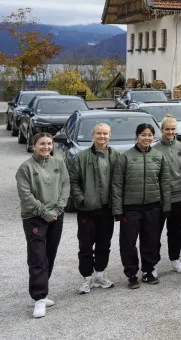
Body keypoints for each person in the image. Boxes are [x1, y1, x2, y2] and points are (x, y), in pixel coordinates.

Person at [112, 123, 171, 289]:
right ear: (137, 136)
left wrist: (166, 206)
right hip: (131, 208)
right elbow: (117, 185)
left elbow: (165, 183)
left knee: (151, 241)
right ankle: (131, 274)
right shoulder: (125, 157)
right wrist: (117, 209)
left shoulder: (159, 156)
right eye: (143, 135)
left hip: (153, 207)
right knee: (128, 243)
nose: (147, 138)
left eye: (150, 135)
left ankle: (148, 271)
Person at [17, 133, 68, 318]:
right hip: (34, 218)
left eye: (49, 143)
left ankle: (43, 291)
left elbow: (65, 187)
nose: (46, 147)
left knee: (49, 255)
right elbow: (26, 195)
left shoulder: (59, 164)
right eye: (42, 144)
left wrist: (58, 209)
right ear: (34, 145)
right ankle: (39, 298)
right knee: (37, 258)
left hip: (56, 216)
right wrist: (45, 212)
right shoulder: (26, 168)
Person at [69, 122, 120, 293]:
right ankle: (87, 277)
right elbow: (73, 181)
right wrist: (82, 200)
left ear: (110, 135)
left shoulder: (116, 156)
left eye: (105, 133)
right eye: (99, 133)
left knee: (104, 244)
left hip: (107, 209)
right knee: (85, 245)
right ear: (93, 135)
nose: (102, 136)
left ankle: (99, 275)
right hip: (88, 210)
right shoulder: (81, 157)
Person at [153, 116, 181, 275]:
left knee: (175, 230)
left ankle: (175, 259)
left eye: (173, 129)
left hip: (178, 196)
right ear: (161, 130)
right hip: (160, 197)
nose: (170, 132)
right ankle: (153, 263)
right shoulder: (154, 149)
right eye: (167, 129)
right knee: (155, 231)